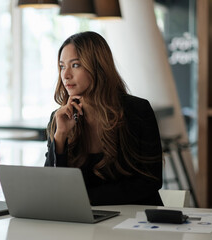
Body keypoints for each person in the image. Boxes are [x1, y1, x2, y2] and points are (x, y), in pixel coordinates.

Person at [44, 31, 163, 206]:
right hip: (86, 222)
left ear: (98, 67)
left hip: (135, 222)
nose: (66, 75)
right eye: (62, 66)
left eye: (75, 65)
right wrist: (61, 135)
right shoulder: (60, 118)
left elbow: (150, 180)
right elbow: (52, 187)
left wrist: (86, 199)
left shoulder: (137, 111)